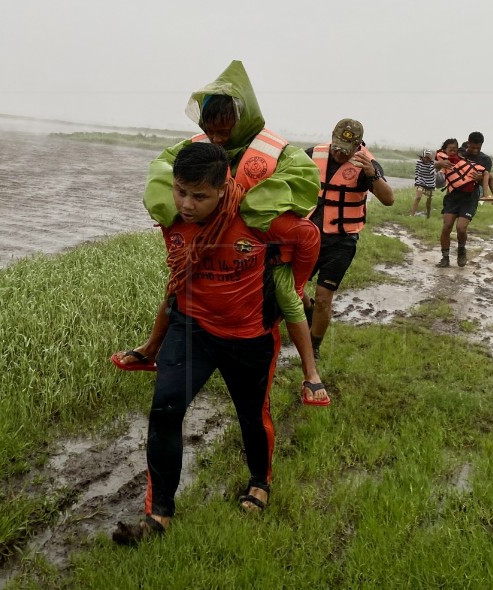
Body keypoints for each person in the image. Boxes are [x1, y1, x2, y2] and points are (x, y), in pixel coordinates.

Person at [111, 143, 324, 545]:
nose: (187, 204)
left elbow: (309, 237)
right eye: (180, 191)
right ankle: (159, 513)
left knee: (251, 416)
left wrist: (292, 286)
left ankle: (259, 482)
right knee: (165, 409)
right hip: (191, 329)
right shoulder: (173, 219)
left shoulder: (260, 220)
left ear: (224, 189)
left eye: (199, 196)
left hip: (249, 337)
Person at [114, 60, 329, 407]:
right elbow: (161, 170)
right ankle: (150, 348)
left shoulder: (278, 151)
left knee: (288, 296)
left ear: (242, 122)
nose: (216, 138)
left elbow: (304, 182)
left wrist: (251, 205)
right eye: (210, 129)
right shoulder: (196, 146)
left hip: (259, 251)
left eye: (224, 131)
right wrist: (174, 209)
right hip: (207, 248)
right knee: (177, 286)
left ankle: (311, 373)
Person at [302, 119, 395, 360]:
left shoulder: (368, 165)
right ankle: (307, 309)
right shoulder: (313, 154)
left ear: (357, 146)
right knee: (293, 289)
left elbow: (389, 199)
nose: (339, 153)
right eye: (337, 146)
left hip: (341, 242)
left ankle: (313, 347)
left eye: (346, 149)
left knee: (324, 298)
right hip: (309, 235)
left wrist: (372, 174)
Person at [433, 131, 493, 268]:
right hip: (453, 196)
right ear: (468, 143)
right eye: (472, 147)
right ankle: (445, 258)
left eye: (478, 148)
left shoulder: (485, 160)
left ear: (481, 145)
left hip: (470, 197)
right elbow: (436, 164)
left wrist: (480, 179)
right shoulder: (458, 153)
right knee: (447, 226)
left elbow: (486, 177)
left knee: (461, 228)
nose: (475, 150)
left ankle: (461, 250)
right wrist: (441, 163)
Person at [411, 149, 437, 218]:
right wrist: (417, 180)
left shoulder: (432, 164)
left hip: (430, 183)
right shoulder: (419, 162)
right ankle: (412, 215)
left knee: (428, 201)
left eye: (428, 158)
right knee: (418, 197)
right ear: (422, 156)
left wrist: (432, 164)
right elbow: (417, 171)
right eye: (425, 157)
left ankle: (428, 215)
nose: (426, 159)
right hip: (421, 181)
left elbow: (432, 172)